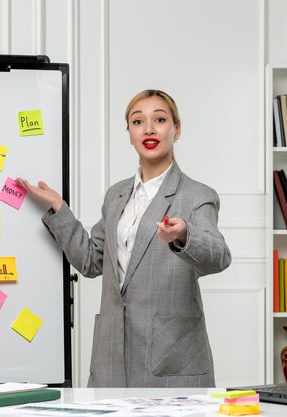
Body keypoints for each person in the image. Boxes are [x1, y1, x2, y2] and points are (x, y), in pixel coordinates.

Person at [16, 89, 231, 387]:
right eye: (138, 121)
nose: (149, 129)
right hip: (112, 353)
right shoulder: (116, 196)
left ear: (177, 129)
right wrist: (59, 209)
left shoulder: (197, 195)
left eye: (160, 119)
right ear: (129, 133)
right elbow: (92, 262)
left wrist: (184, 235)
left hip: (171, 357)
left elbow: (219, 257)